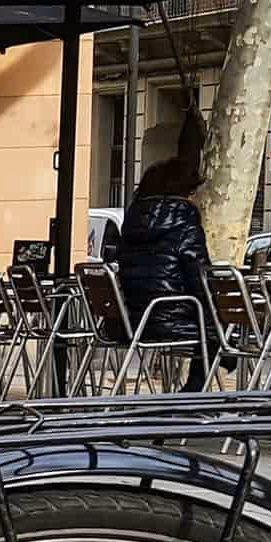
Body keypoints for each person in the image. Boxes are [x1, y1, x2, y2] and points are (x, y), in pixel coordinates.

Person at [113, 150, 215, 390]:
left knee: (216, 328)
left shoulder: (132, 222)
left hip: (129, 319)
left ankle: (191, 391)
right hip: (171, 319)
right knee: (221, 328)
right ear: (186, 193)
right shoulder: (186, 224)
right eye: (193, 193)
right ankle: (194, 391)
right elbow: (200, 279)